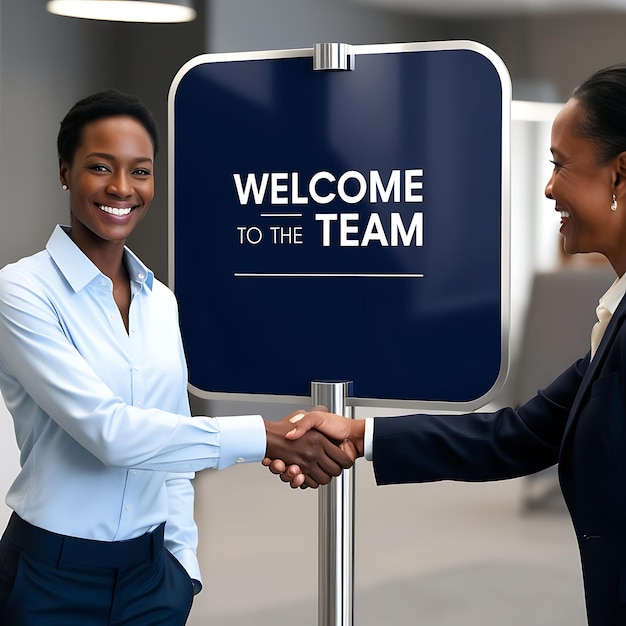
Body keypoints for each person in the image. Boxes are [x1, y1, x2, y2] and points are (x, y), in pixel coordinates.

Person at [266, 63, 626, 626]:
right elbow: (521, 434)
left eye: (560, 164)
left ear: (620, 176)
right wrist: (361, 435)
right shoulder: (616, 316)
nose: (549, 186)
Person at [0, 89, 352, 626]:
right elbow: (109, 433)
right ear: (65, 172)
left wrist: (181, 569)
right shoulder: (20, 292)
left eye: (140, 171)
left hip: (150, 581)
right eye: (100, 167)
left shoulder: (160, 301)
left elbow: (171, 443)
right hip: (50, 578)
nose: (122, 189)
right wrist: (265, 436)